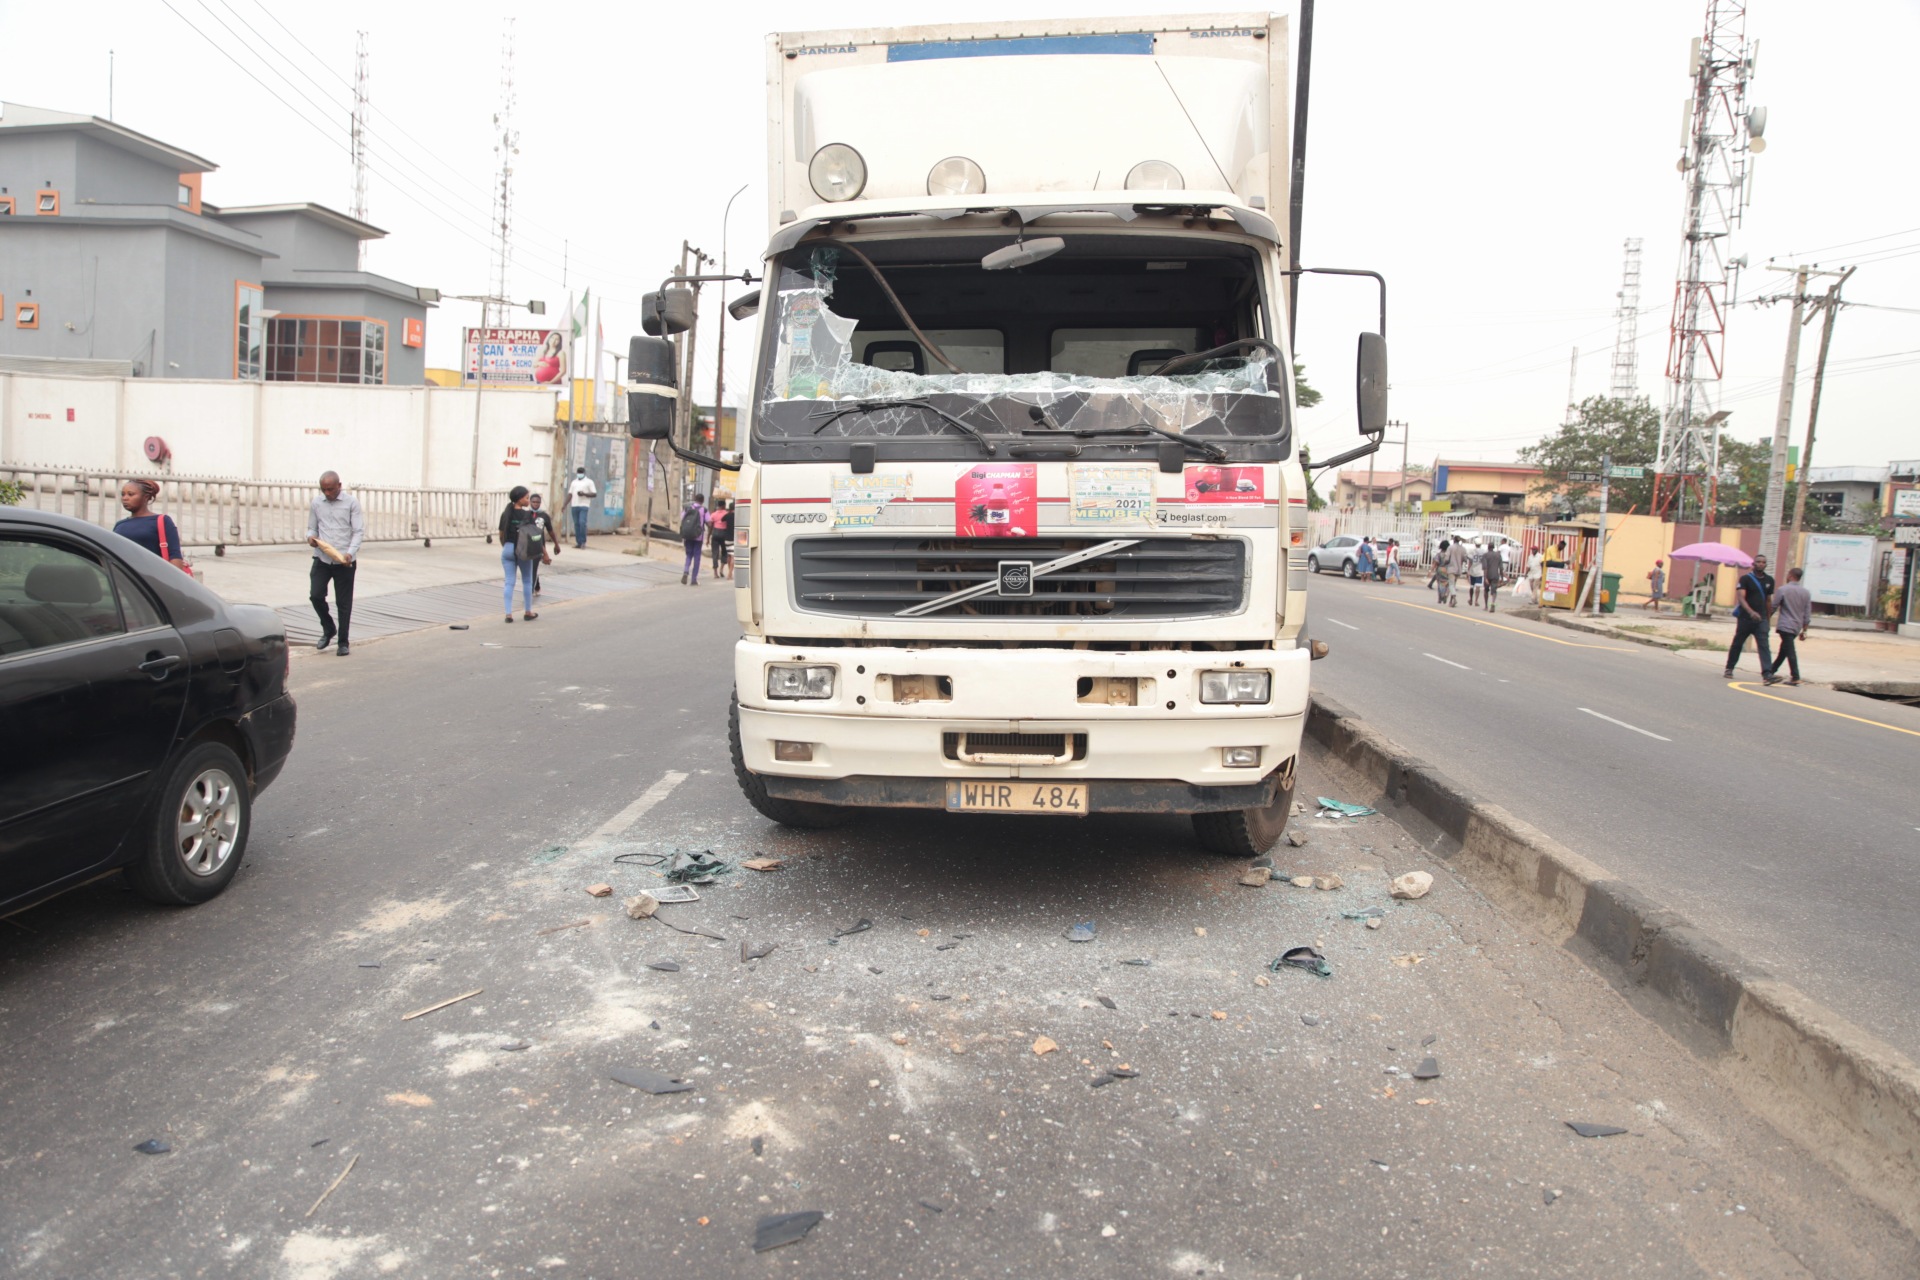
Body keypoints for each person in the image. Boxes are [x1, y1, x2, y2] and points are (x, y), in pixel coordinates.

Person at [306, 471, 364, 656]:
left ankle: (343, 642)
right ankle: (329, 628)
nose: (328, 493)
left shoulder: (351, 503)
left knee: (343, 603)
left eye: (331, 489)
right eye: (324, 490)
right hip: (322, 558)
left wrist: (350, 553)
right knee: (316, 595)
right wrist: (311, 537)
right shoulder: (317, 503)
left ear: (339, 485)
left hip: (344, 561)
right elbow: (311, 528)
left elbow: (358, 531)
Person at [1724, 559, 1780, 684]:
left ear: (1766, 565)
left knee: (1764, 646)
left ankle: (1767, 674)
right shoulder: (1745, 579)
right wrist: (1751, 612)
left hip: (1761, 620)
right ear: (1753, 564)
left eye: (1764, 562)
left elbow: (1768, 601)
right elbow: (1741, 598)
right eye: (1758, 562)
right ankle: (1729, 668)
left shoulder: (1769, 580)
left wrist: (1768, 619)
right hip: (1745, 618)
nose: (1761, 564)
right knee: (1737, 643)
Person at [113, 479, 188, 571]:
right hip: (126, 579)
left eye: (130, 494)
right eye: (123, 494)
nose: (125, 498)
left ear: (146, 497)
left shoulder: (162, 521)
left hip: (153, 578)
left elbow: (174, 555)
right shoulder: (120, 525)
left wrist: (174, 581)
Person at [499, 486, 549, 622]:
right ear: (520, 499)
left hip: (508, 549)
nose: (528, 500)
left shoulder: (506, 514)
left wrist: (507, 547)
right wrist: (545, 554)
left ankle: (508, 614)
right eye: (527, 498)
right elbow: (535, 536)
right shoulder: (527, 515)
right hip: (524, 551)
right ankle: (528, 612)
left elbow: (501, 535)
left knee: (509, 582)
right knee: (527, 581)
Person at [1769, 567, 1812, 686]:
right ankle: (1771, 671)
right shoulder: (1806, 592)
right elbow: (1807, 614)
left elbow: (1773, 606)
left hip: (1785, 625)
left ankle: (1795, 676)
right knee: (1784, 650)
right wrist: (1805, 630)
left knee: (1789, 650)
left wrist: (1766, 619)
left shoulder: (1782, 589)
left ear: (1791, 576)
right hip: (1797, 626)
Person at [528, 493, 561, 596]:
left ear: (540, 503)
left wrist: (556, 544)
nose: (535, 504)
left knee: (533, 567)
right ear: (530, 502)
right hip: (527, 545)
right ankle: (536, 584)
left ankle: (530, 592)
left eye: (538, 502)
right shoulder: (525, 515)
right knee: (530, 568)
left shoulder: (544, 516)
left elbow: (550, 531)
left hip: (539, 546)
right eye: (533, 502)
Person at [679, 492, 707, 585]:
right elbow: (709, 521)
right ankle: (694, 579)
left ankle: (686, 571)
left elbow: (682, 518)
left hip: (688, 535)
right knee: (697, 558)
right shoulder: (704, 510)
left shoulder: (687, 508)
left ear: (695, 499)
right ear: (702, 501)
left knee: (689, 555)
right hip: (698, 536)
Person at [566, 466, 597, 549]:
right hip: (574, 505)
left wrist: (584, 494)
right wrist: (564, 505)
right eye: (578, 472)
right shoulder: (574, 482)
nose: (580, 474)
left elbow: (594, 494)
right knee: (576, 524)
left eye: (581, 472)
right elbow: (570, 494)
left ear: (584, 473)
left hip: (584, 505)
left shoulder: (589, 482)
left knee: (582, 523)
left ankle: (583, 541)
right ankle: (578, 542)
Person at [708, 498, 733, 580]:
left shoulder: (713, 514)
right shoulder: (727, 513)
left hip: (715, 534)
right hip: (724, 534)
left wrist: (708, 538)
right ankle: (721, 569)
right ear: (724, 505)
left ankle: (715, 573)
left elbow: (710, 526)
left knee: (715, 553)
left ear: (718, 505)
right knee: (724, 553)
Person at [1443, 535, 1470, 607]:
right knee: (1453, 585)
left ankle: (1454, 598)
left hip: (1451, 568)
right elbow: (1465, 559)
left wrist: (1444, 564)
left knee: (1451, 584)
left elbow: (1446, 559)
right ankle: (1450, 600)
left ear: (1454, 540)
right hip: (1459, 569)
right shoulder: (1463, 548)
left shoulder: (1450, 547)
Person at [1481, 541, 1504, 611]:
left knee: (1486, 590)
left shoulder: (1485, 555)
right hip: (1495, 575)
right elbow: (1501, 568)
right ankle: (1493, 603)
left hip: (1488, 575)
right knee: (1494, 591)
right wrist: (1502, 578)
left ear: (1488, 547)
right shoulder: (1498, 555)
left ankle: (1486, 606)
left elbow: (1485, 568)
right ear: (1493, 547)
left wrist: (1485, 578)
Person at [1467, 541, 1485, 606]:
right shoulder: (1483, 552)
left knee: (1472, 586)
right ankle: (1476, 601)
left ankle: (1471, 599)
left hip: (1473, 570)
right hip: (1480, 571)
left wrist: (1468, 571)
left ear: (1475, 544)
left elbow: (1470, 562)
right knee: (1478, 587)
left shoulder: (1472, 551)